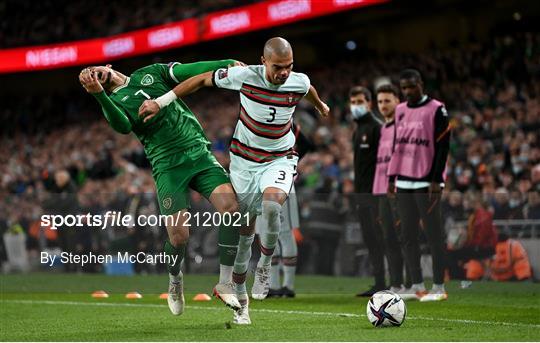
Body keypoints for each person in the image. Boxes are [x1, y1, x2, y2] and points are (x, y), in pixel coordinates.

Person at [139, 37, 329, 324]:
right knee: (242, 231)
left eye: (289, 67)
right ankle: (241, 301)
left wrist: (320, 104)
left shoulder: (297, 81)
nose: (284, 73)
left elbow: (308, 87)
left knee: (273, 206)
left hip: (280, 157)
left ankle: (264, 265)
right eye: (278, 67)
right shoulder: (245, 76)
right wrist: (162, 101)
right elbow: (202, 79)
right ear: (263, 61)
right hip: (243, 161)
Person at [78, 60, 245, 316]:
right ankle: (175, 280)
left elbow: (189, 71)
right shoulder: (114, 103)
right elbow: (122, 126)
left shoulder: (149, 73)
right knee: (179, 237)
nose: (95, 76)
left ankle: (225, 282)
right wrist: (99, 95)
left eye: (96, 70)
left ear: (108, 66)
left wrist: (226, 63)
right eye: (90, 78)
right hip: (167, 166)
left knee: (232, 209)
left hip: (198, 154)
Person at [387, 69, 451, 302]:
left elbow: (443, 145)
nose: (408, 91)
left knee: (434, 235)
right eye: (404, 88)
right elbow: (397, 145)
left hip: (426, 181)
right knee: (408, 235)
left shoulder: (437, 109)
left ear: (421, 84)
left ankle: (439, 287)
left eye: (411, 86)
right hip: (403, 179)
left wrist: (437, 179)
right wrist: (391, 177)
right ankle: (416, 286)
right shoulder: (400, 110)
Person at [372, 84, 411, 295]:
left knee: (404, 236)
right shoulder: (383, 129)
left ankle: (412, 282)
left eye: (387, 100)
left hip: (398, 190)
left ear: (397, 100)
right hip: (381, 192)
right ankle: (396, 283)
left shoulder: (403, 127)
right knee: (388, 238)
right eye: (380, 101)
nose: (383, 105)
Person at [349, 86, 386, 297]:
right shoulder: (358, 130)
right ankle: (380, 283)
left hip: (376, 195)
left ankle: (399, 282)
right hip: (362, 195)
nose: (356, 106)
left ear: (369, 103)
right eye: (353, 102)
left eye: (359, 101)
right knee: (371, 239)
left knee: (383, 238)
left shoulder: (377, 128)